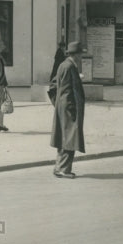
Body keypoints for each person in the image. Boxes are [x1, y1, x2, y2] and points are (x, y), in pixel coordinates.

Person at [48, 40, 86, 178]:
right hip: (69, 107)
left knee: (64, 138)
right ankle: (64, 170)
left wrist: (57, 103)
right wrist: (71, 107)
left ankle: (58, 167)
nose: (81, 57)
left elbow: (53, 86)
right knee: (71, 138)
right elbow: (69, 90)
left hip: (63, 106)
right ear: (75, 55)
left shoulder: (63, 65)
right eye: (80, 54)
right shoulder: (70, 66)